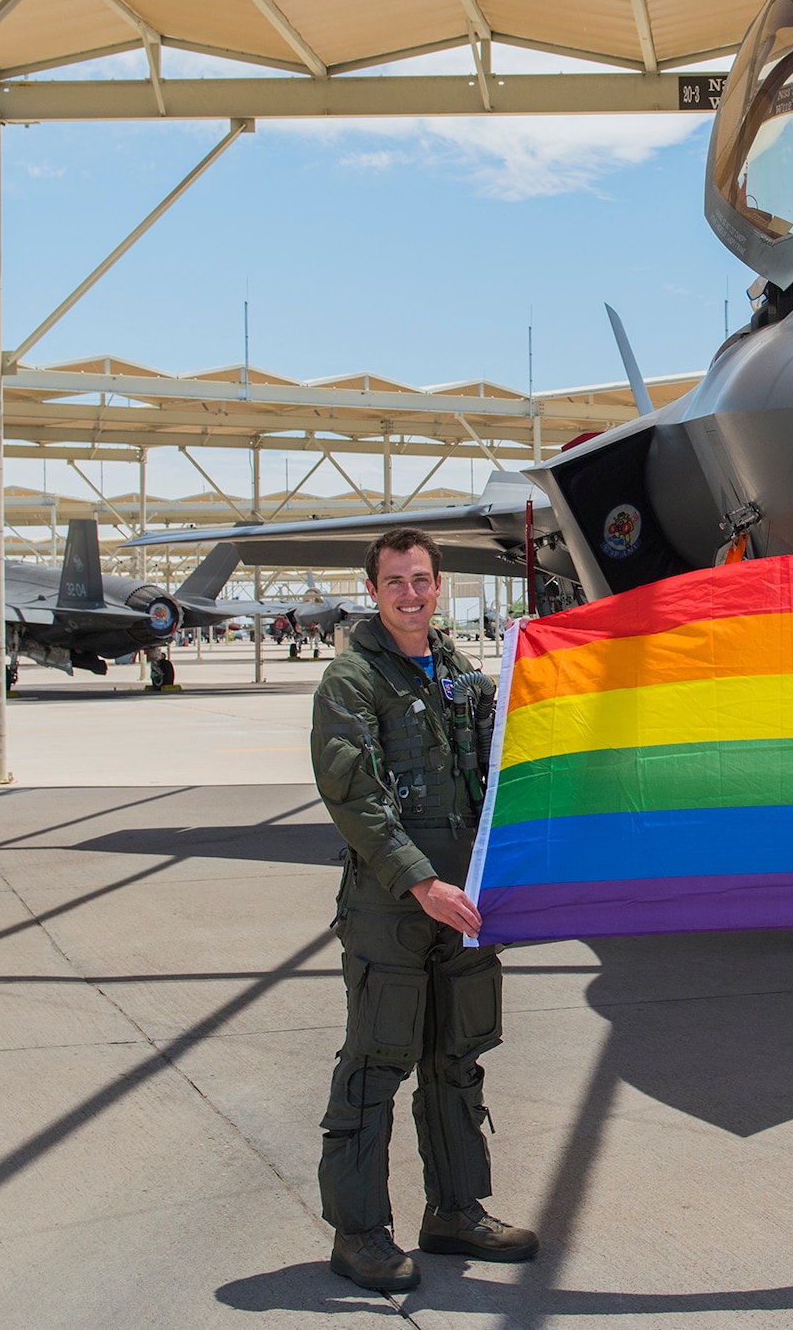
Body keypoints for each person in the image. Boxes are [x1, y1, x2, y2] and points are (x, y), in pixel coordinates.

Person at [309, 527, 536, 1292]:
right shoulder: (351, 680)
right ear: (374, 590)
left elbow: (498, 757)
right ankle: (360, 1232)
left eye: (422, 579)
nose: (411, 593)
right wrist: (422, 884)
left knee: (456, 1059)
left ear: (440, 586)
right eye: (396, 581)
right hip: (393, 906)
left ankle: (454, 1209)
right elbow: (355, 799)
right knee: (376, 1065)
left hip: (463, 901)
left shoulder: (456, 670)